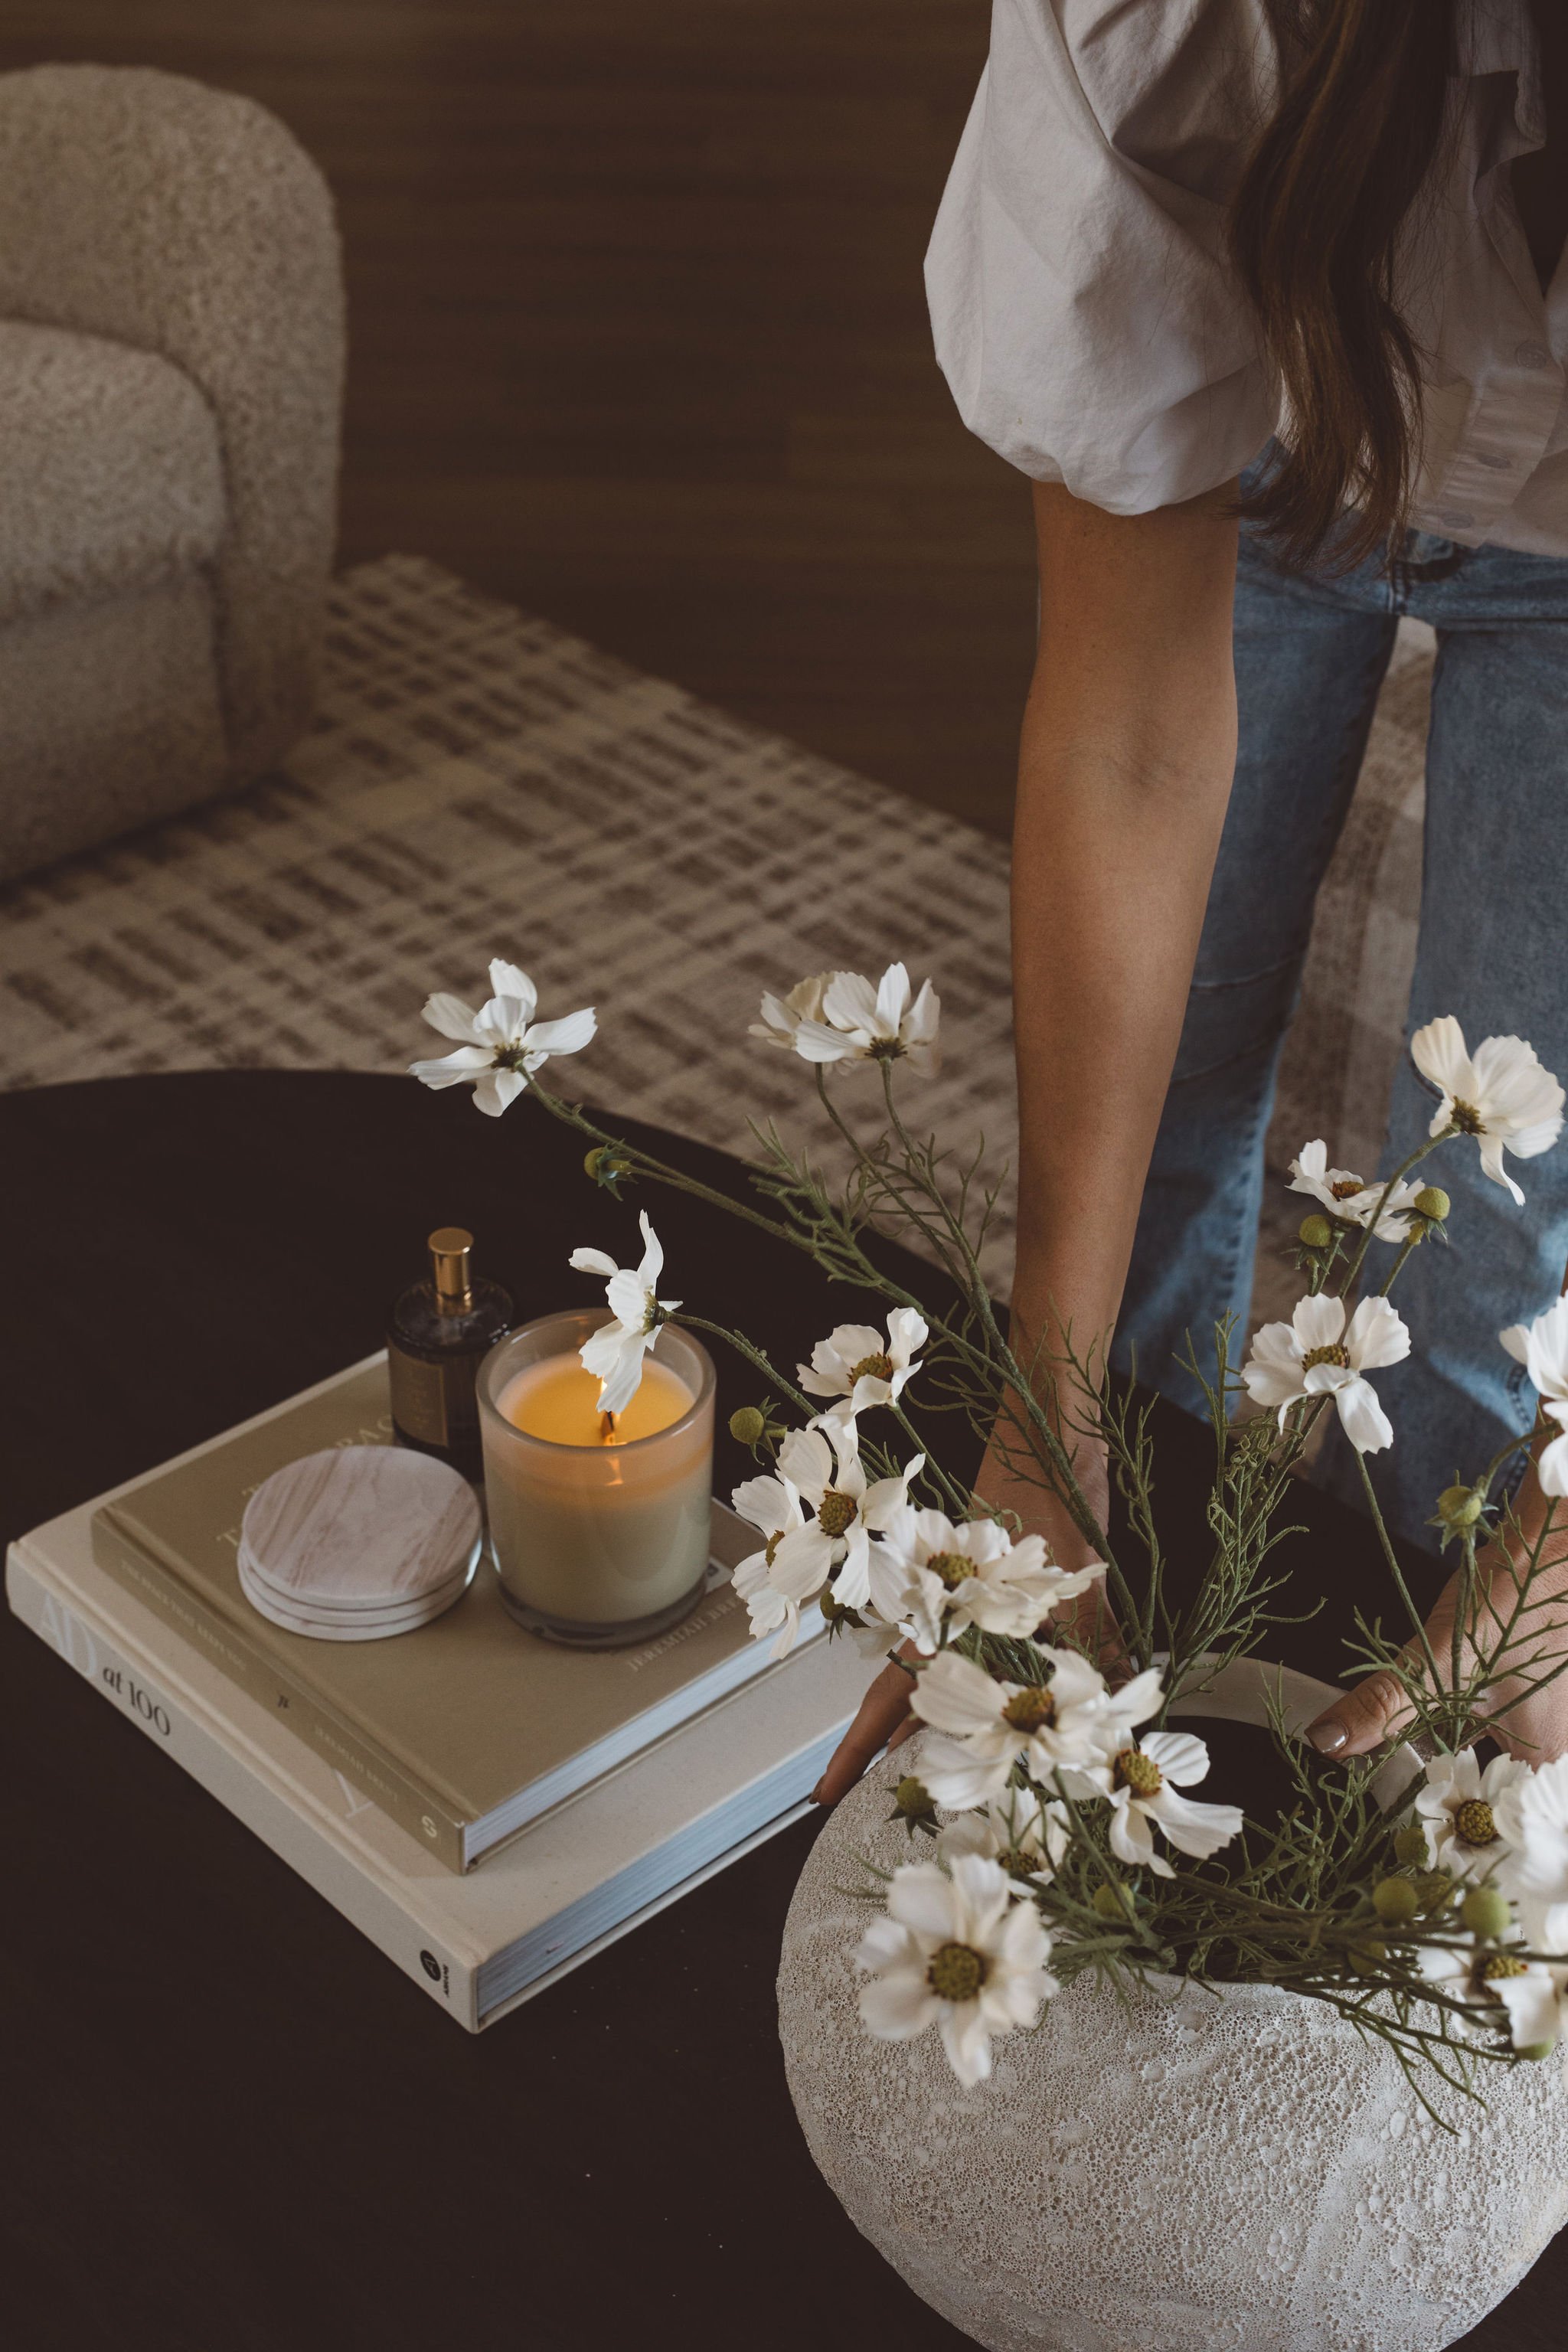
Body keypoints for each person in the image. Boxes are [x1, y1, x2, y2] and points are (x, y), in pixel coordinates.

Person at [815, 0, 1568, 1805]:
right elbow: (1129, 745)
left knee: (1488, 1239)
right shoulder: (1166, 24)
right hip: (1275, 427)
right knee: (1142, 1138)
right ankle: (1113, 1626)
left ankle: (1444, 1753)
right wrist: (1044, 1423)